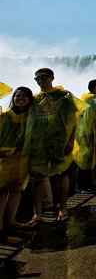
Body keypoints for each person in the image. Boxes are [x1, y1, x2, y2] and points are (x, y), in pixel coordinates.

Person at [27, 68, 84, 223]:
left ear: (52, 78)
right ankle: (37, 214)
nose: (40, 80)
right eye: (37, 78)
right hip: (38, 144)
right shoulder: (34, 98)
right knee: (37, 178)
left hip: (59, 142)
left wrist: (71, 140)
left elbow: (73, 121)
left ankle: (63, 208)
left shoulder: (63, 96)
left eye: (44, 77)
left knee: (61, 175)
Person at [0, 87, 30, 232]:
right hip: (4, 157)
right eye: (17, 96)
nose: (20, 98)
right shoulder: (5, 115)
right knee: (1, 190)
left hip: (22, 158)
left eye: (24, 96)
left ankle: (11, 221)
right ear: (13, 98)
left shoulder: (32, 117)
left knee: (16, 190)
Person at [73, 79, 96, 193]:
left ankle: (80, 185)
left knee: (82, 160)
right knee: (87, 160)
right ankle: (86, 186)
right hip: (88, 133)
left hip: (80, 132)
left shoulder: (84, 98)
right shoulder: (94, 100)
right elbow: (95, 119)